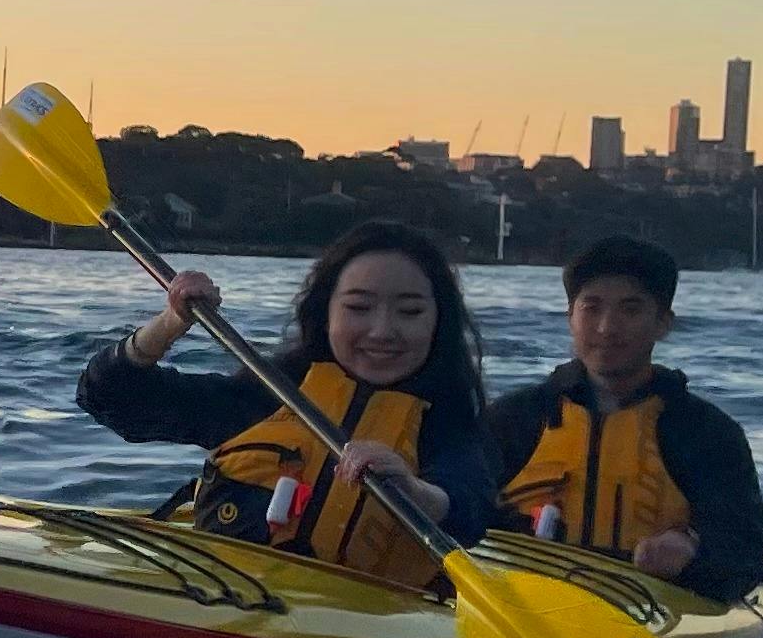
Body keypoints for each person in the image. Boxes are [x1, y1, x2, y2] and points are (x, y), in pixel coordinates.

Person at [77, 218, 498, 587]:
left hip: (361, 622)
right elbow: (112, 398)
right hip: (226, 592)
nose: (382, 330)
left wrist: (412, 489)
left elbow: (469, 508)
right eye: (358, 307)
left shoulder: (448, 423)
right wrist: (170, 323)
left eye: (410, 312)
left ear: (438, 322)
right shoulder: (272, 392)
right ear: (326, 312)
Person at [482, 234, 763, 596]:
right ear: (570, 317)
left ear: (663, 323)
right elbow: (461, 514)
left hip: (650, 608)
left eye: (630, 310)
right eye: (591, 308)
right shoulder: (513, 419)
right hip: (519, 602)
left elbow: (744, 557)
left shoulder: (708, 434)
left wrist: (692, 549)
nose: (607, 328)